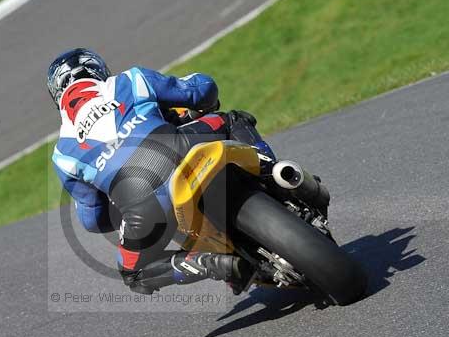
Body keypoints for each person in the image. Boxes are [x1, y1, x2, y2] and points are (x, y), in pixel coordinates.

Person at [48, 48, 279, 295]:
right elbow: (200, 89)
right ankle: (273, 174)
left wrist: (118, 204)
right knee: (232, 120)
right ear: (99, 71)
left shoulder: (62, 153)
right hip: (179, 148)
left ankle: (204, 263)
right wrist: (205, 103)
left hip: (143, 205)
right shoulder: (131, 79)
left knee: (132, 274)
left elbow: (93, 219)